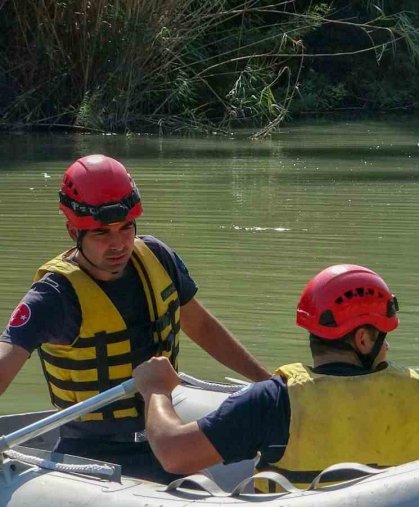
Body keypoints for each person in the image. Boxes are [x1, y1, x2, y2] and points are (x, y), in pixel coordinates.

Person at [133, 264, 419, 489]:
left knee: (198, 485)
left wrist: (156, 392)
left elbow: (173, 454)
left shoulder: (271, 402)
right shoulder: (418, 401)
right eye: (384, 336)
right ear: (364, 337)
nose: (387, 347)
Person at [0, 154, 270, 482]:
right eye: (102, 233)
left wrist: (267, 381)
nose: (118, 244)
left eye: (126, 227)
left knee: (207, 490)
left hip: (163, 437)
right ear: (73, 230)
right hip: (90, 455)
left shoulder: (157, 257)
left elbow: (201, 326)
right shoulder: (54, 295)